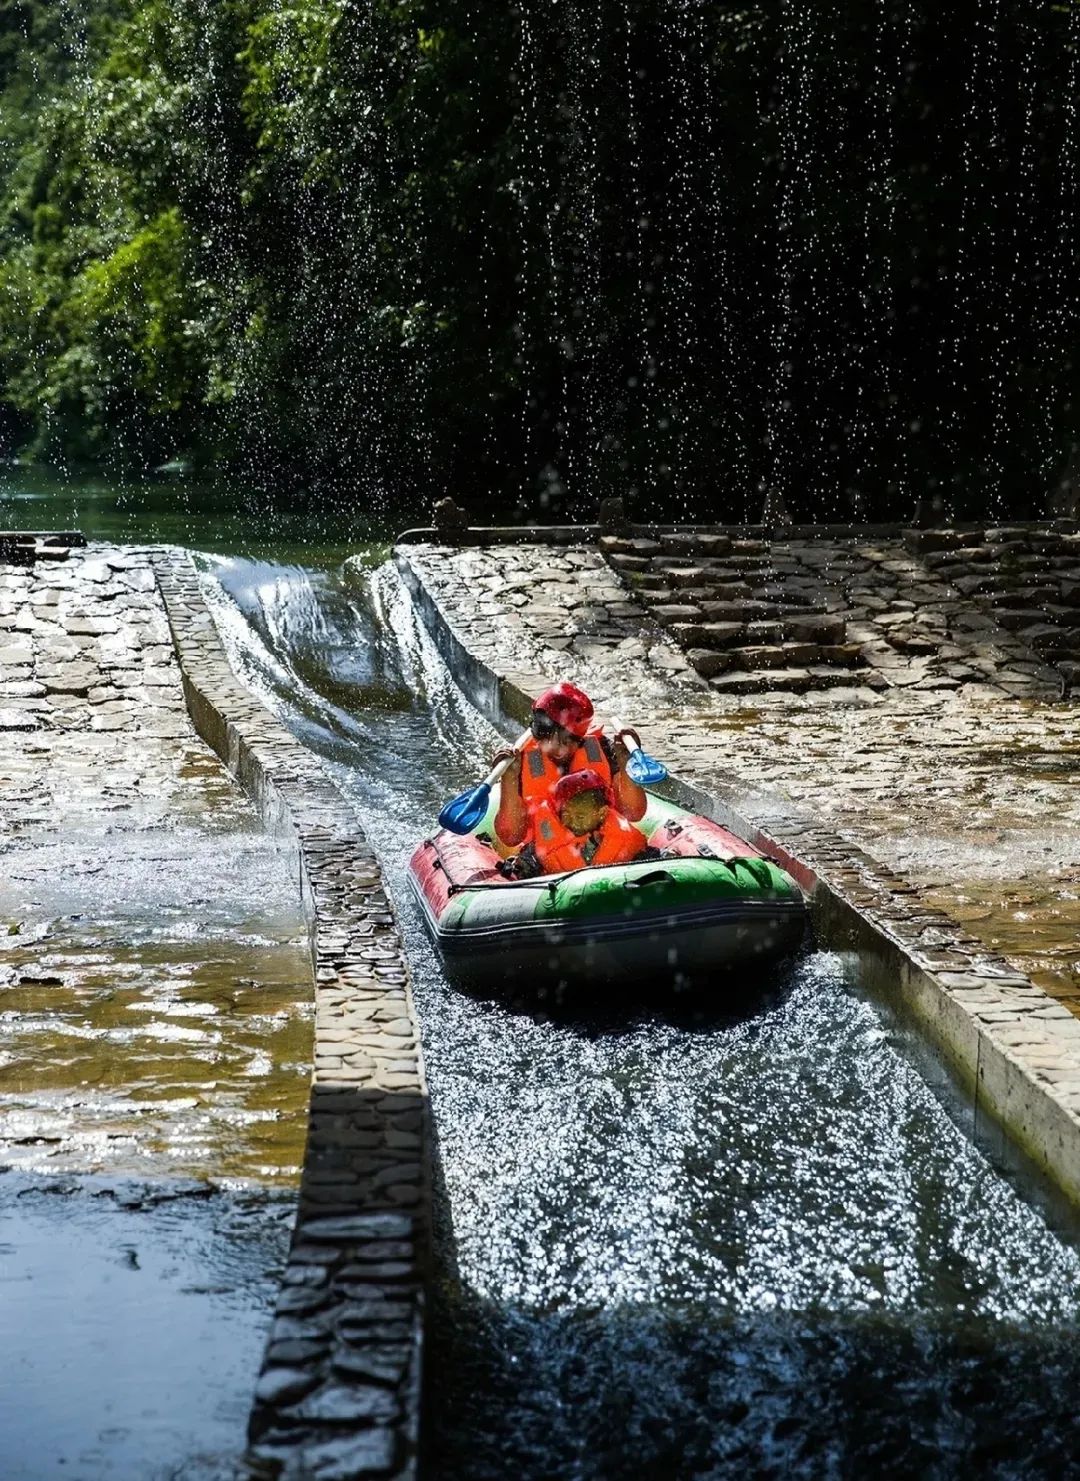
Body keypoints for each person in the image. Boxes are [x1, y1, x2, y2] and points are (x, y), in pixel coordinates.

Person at [492, 681, 647, 850]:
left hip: (604, 850)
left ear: (579, 737)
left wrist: (626, 763)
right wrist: (509, 779)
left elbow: (633, 813)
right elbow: (511, 837)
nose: (553, 746)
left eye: (565, 740)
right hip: (546, 857)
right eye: (545, 736)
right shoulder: (519, 762)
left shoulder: (602, 748)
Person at [534, 769, 649, 875]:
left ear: (602, 814)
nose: (573, 822)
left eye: (580, 817)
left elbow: (652, 863)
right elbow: (523, 868)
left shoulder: (627, 841)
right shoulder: (544, 845)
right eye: (566, 815)